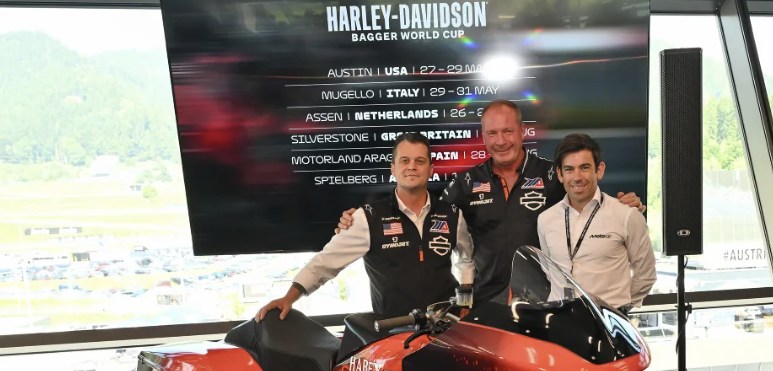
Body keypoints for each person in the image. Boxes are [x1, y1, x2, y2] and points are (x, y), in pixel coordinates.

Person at [338, 100, 644, 306]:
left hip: (545, 300)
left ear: (522, 132)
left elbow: (588, 198)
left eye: (508, 131)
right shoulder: (466, 182)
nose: (501, 141)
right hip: (487, 302)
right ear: (483, 136)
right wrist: (362, 220)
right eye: (492, 133)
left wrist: (625, 203)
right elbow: (424, 213)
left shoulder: (552, 174)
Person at [537, 133, 657, 371]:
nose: (578, 176)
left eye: (585, 167)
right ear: (559, 174)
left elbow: (645, 274)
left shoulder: (626, 215)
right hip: (564, 337)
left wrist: (619, 311)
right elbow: (550, 276)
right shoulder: (546, 220)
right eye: (570, 169)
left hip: (611, 336)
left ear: (599, 170)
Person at [256, 132, 474, 321]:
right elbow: (325, 263)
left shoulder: (452, 214)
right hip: (393, 331)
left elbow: (467, 259)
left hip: (447, 329)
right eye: (404, 160)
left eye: (420, 161)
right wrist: (289, 297)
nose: (412, 167)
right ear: (393, 169)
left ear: (431, 169)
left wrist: (465, 299)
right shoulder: (368, 218)